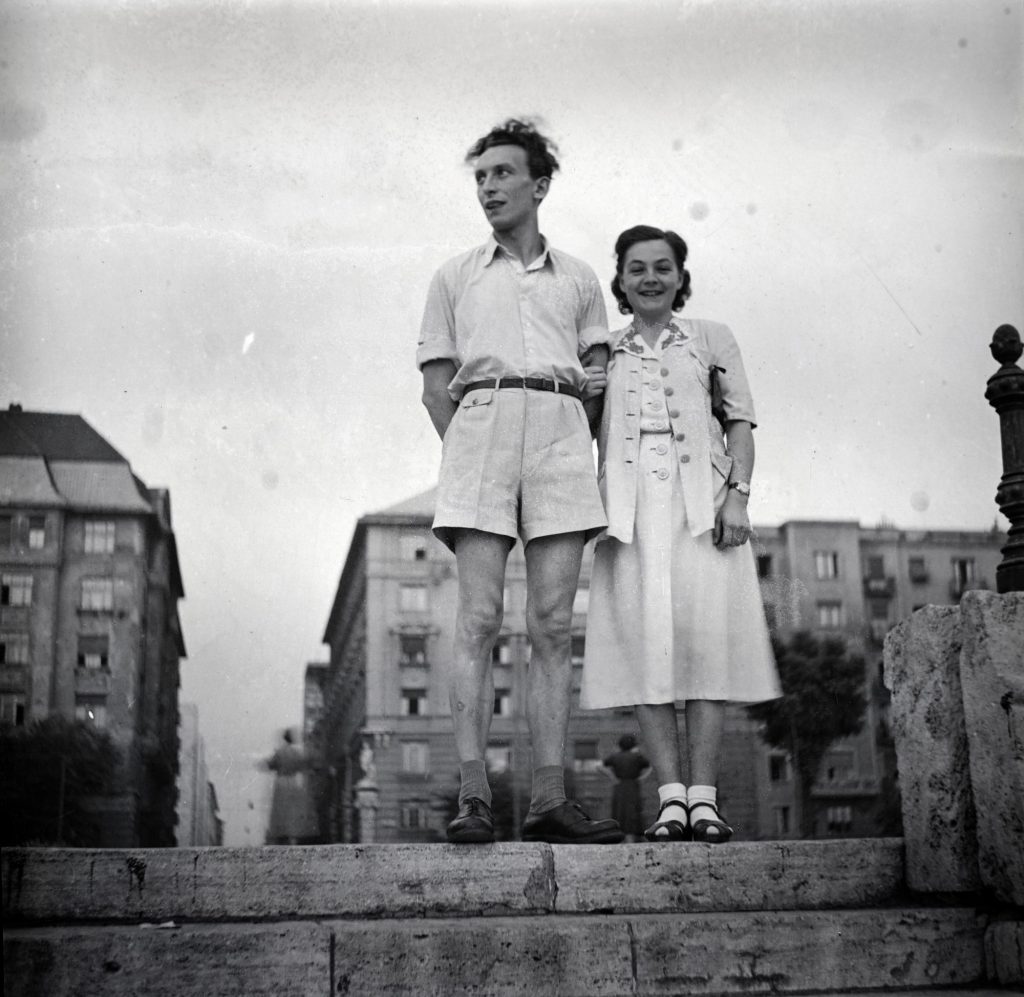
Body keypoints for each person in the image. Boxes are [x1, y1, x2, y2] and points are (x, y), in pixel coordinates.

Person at [417, 118, 623, 845]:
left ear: (539, 185)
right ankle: (474, 796)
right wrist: (476, 448)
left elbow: (598, 377)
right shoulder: (454, 276)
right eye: (480, 177)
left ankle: (549, 800)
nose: (488, 188)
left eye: (502, 173)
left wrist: (566, 437)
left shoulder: (581, 279)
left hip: (562, 430)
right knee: (477, 618)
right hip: (482, 426)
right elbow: (435, 388)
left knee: (552, 624)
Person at [580, 225, 781, 843]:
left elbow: (740, 421)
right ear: (620, 280)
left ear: (680, 276)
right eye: (636, 268)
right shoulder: (602, 349)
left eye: (662, 267)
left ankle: (705, 801)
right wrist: (586, 394)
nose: (650, 278)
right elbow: (582, 426)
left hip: (703, 505)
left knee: (704, 646)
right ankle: (671, 801)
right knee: (646, 649)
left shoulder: (711, 337)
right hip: (630, 510)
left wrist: (737, 496)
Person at [264, 729, 319, 845]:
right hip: (294, 783)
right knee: (292, 812)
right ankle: (292, 837)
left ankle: (282, 836)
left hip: (281, 783)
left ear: (284, 739)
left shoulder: (280, 752)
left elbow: (270, 764)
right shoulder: (297, 752)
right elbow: (306, 762)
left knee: (281, 812)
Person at [602, 734, 651, 842]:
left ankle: (621, 838)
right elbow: (650, 767)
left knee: (619, 811)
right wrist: (642, 778)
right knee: (632, 811)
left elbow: (600, 766)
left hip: (620, 786)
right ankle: (630, 839)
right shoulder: (637, 756)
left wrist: (613, 777)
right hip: (633, 786)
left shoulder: (615, 756)